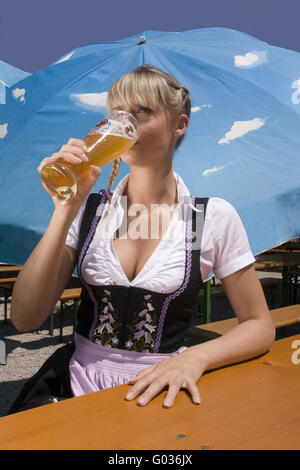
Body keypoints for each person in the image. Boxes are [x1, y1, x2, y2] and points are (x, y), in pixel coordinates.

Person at [9, 65, 275, 413]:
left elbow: (259, 325)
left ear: (179, 125)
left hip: (161, 389)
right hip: (75, 385)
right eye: (116, 114)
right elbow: (24, 319)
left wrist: (197, 357)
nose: (124, 124)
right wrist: (64, 209)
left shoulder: (211, 217)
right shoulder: (89, 210)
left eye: (142, 112)